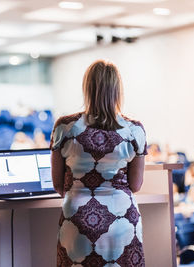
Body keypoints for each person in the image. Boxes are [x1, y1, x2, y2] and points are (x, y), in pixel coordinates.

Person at [51, 60, 147, 266]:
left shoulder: (65, 127)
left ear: (87, 88)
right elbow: (136, 185)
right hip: (122, 220)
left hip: (77, 218)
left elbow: (58, 184)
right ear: (117, 90)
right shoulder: (134, 130)